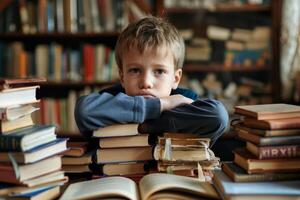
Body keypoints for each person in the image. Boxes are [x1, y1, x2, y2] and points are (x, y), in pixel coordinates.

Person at [75, 16, 228, 146]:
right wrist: (163, 105)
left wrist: (142, 126)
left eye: (159, 71)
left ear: (175, 79)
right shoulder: (112, 99)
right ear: (122, 77)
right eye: (135, 70)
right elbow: (84, 111)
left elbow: (218, 116)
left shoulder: (183, 99)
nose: (146, 82)